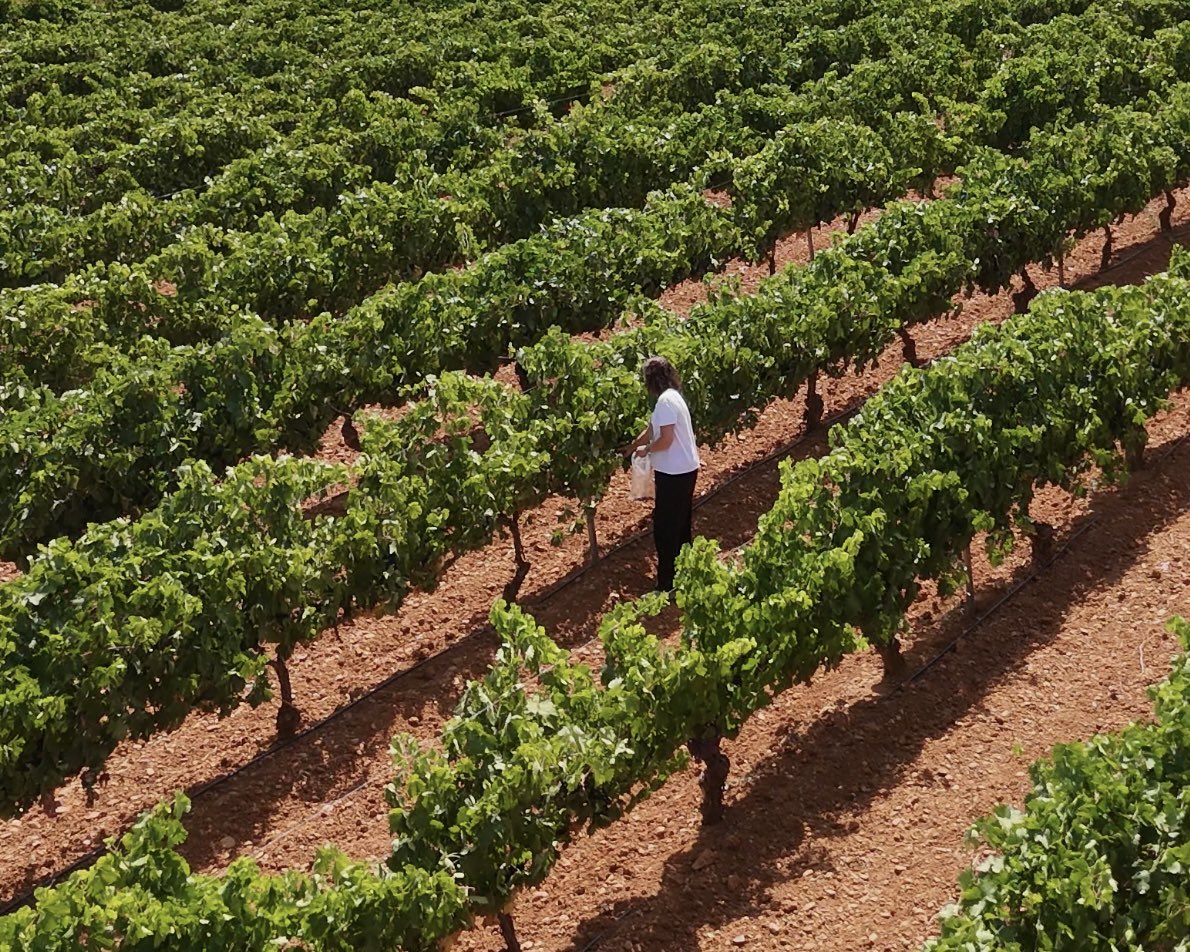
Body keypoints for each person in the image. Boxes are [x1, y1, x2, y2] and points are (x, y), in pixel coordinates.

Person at [623, 356, 701, 592]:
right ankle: (686, 575)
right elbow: (652, 429)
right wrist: (630, 447)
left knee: (665, 529)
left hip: (675, 473)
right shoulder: (672, 397)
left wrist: (645, 450)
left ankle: (667, 585)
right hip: (685, 469)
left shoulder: (665, 402)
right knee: (681, 524)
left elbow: (665, 440)